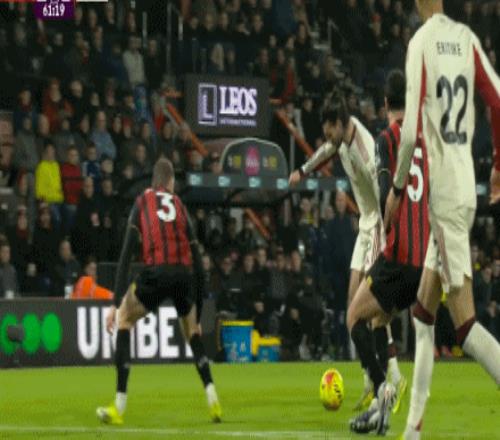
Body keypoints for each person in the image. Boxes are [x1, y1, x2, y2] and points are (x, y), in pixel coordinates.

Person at [384, 1, 500, 438]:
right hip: (464, 184)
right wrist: (498, 165)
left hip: (445, 197)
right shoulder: (466, 39)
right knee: (422, 314)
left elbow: (410, 131)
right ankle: (412, 430)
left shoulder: (421, 43)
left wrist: (397, 190)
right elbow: (498, 100)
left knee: (465, 325)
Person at [289, 99, 401, 414]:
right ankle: (372, 378)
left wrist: (389, 236)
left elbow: (385, 192)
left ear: (340, 123)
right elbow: (327, 150)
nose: (328, 137)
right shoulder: (341, 140)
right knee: (354, 305)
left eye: (329, 131)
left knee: (368, 309)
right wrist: (303, 170)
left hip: (378, 225)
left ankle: (388, 378)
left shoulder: (365, 150)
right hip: (365, 225)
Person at [96, 158, 222, 425]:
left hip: (157, 271)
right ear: (169, 181)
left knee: (124, 319)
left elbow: (126, 254)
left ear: (154, 181)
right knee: (192, 332)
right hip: (184, 274)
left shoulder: (142, 201)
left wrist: (114, 302)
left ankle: (119, 406)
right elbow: (199, 263)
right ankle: (212, 396)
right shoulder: (179, 204)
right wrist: (198, 311)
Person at [349, 70, 428, 434]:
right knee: (379, 321)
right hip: (424, 261)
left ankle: (382, 393)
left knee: (353, 317)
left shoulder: (386, 139)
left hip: (398, 256)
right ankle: (382, 411)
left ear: (384, 103)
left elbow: (385, 200)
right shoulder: (424, 141)